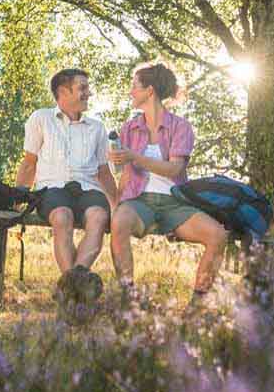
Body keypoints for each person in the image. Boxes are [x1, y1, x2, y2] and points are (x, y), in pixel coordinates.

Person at [109, 62, 228, 304]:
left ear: (149, 91)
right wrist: (116, 202)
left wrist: (134, 157)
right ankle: (129, 300)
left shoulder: (180, 127)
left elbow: (175, 168)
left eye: (135, 86)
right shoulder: (129, 128)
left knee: (218, 235)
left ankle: (196, 307)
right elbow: (124, 174)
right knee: (119, 222)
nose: (131, 91)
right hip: (140, 202)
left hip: (175, 203)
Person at [15, 68, 119, 296]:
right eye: (82, 88)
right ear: (63, 91)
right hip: (52, 188)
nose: (88, 93)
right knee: (62, 217)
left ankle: (70, 286)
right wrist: (16, 197)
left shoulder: (97, 128)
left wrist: (117, 205)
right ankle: (78, 287)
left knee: (99, 217)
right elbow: (30, 163)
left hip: (88, 188)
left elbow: (103, 172)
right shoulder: (41, 118)